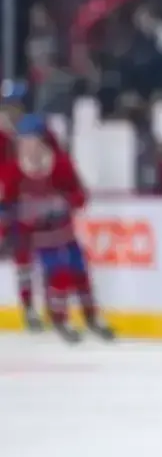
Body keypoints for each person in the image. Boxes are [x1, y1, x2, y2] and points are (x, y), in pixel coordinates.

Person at [0, 115, 115, 343]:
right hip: (36, 235)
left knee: (80, 273)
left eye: (31, 140)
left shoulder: (60, 164)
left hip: (64, 232)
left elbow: (79, 195)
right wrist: (6, 229)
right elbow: (6, 204)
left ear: (42, 140)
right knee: (55, 274)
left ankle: (91, 316)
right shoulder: (13, 169)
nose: (27, 146)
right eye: (23, 141)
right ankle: (56, 317)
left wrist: (65, 202)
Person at [0, 80, 66, 331]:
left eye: (14, 104)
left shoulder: (40, 130)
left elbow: (57, 160)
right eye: (7, 105)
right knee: (23, 260)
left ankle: (53, 308)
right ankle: (29, 309)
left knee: (49, 257)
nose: (10, 110)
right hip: (14, 204)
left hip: (40, 202)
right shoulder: (3, 134)